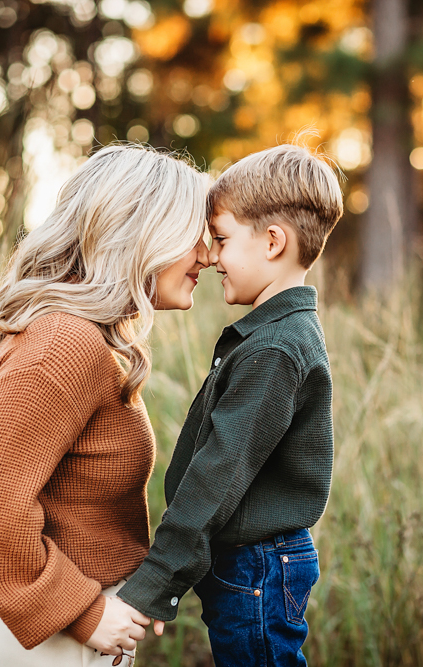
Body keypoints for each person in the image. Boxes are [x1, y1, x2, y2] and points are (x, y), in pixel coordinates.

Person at [0, 144, 210, 667]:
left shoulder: (90, 341)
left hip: (57, 636)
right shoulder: (66, 341)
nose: (206, 254)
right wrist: (82, 611)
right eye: (191, 235)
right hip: (32, 645)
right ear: (142, 231)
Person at [116, 144, 344, 666]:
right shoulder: (273, 335)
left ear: (272, 242)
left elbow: (218, 473)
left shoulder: (276, 349)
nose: (212, 257)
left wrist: (158, 577)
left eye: (220, 239)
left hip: (258, 569)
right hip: (251, 566)